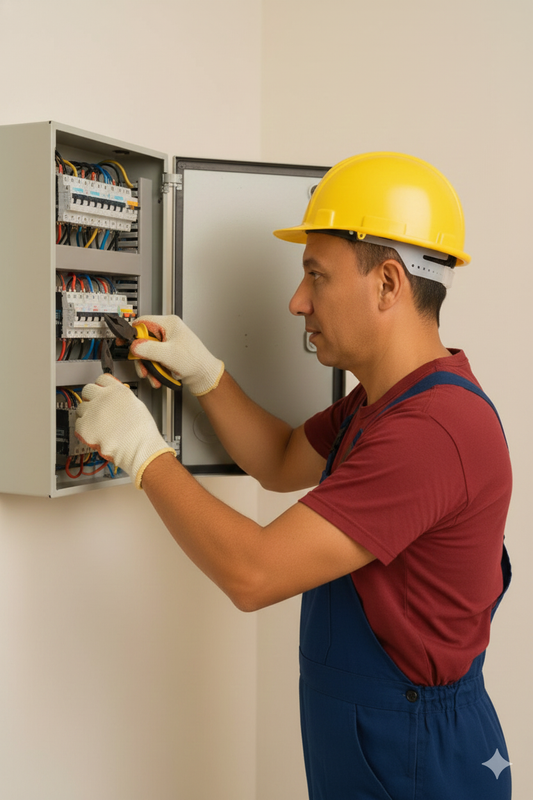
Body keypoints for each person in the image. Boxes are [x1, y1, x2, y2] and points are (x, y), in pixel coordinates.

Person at [76, 152, 512, 800]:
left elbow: (253, 574)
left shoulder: (431, 431)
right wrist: (206, 376)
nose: (296, 301)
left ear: (387, 283)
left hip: (417, 755)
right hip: (374, 735)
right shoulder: (385, 399)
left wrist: (145, 455)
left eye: (315, 275)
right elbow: (281, 460)